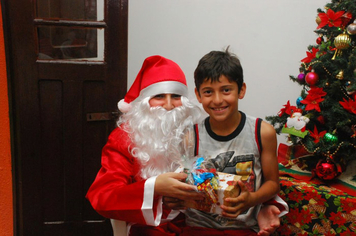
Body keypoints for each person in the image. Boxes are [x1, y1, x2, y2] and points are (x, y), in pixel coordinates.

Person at [86, 55, 205, 235]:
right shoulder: (124, 138)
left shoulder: (195, 132)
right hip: (147, 228)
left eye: (176, 96)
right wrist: (155, 188)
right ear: (144, 102)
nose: (168, 105)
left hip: (195, 222)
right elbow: (103, 197)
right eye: (159, 96)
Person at [175, 48, 288, 235]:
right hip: (198, 227)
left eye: (226, 90)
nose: (218, 100)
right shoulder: (190, 137)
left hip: (244, 228)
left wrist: (251, 199)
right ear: (198, 95)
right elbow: (181, 181)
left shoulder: (262, 132)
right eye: (208, 92)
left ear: (241, 90)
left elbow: (273, 183)